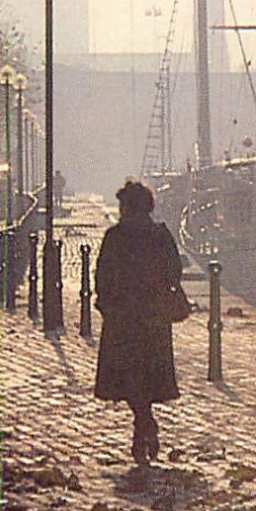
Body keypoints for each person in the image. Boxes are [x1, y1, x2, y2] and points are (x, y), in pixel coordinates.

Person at [94, 180, 182, 465]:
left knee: (129, 376)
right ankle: (143, 426)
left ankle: (143, 424)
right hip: (154, 317)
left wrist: (105, 303)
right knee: (148, 374)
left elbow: (103, 273)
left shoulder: (116, 237)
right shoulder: (160, 236)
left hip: (123, 317)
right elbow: (174, 272)